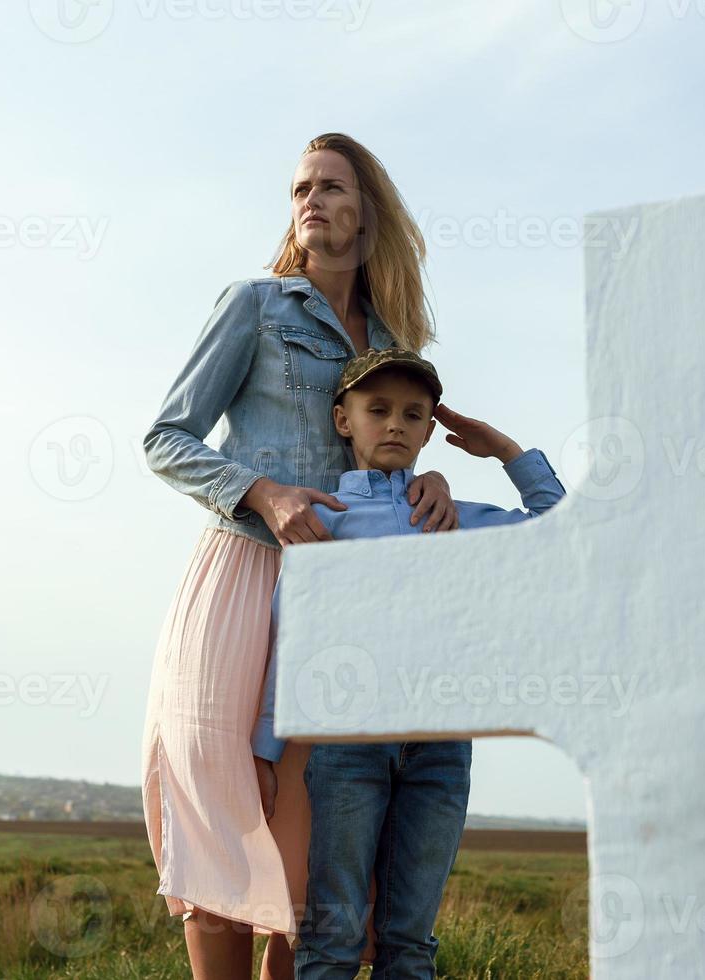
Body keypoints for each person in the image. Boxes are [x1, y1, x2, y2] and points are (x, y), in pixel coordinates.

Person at [140, 134, 482, 980]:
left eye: (332, 186)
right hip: (240, 577)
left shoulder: (396, 334)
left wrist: (430, 475)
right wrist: (264, 493)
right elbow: (165, 439)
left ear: (369, 210)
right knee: (226, 819)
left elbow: (392, 435)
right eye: (300, 188)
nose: (310, 200)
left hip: (345, 599)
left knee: (311, 845)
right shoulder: (255, 305)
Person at [249, 347, 567, 979]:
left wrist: (504, 449)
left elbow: (563, 530)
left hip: (443, 747)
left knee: (411, 941)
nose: (394, 424)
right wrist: (264, 748)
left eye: (413, 414)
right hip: (349, 745)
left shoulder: (455, 518)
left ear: (429, 431)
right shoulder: (322, 522)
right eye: (378, 410)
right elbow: (291, 637)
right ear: (344, 420)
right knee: (333, 938)